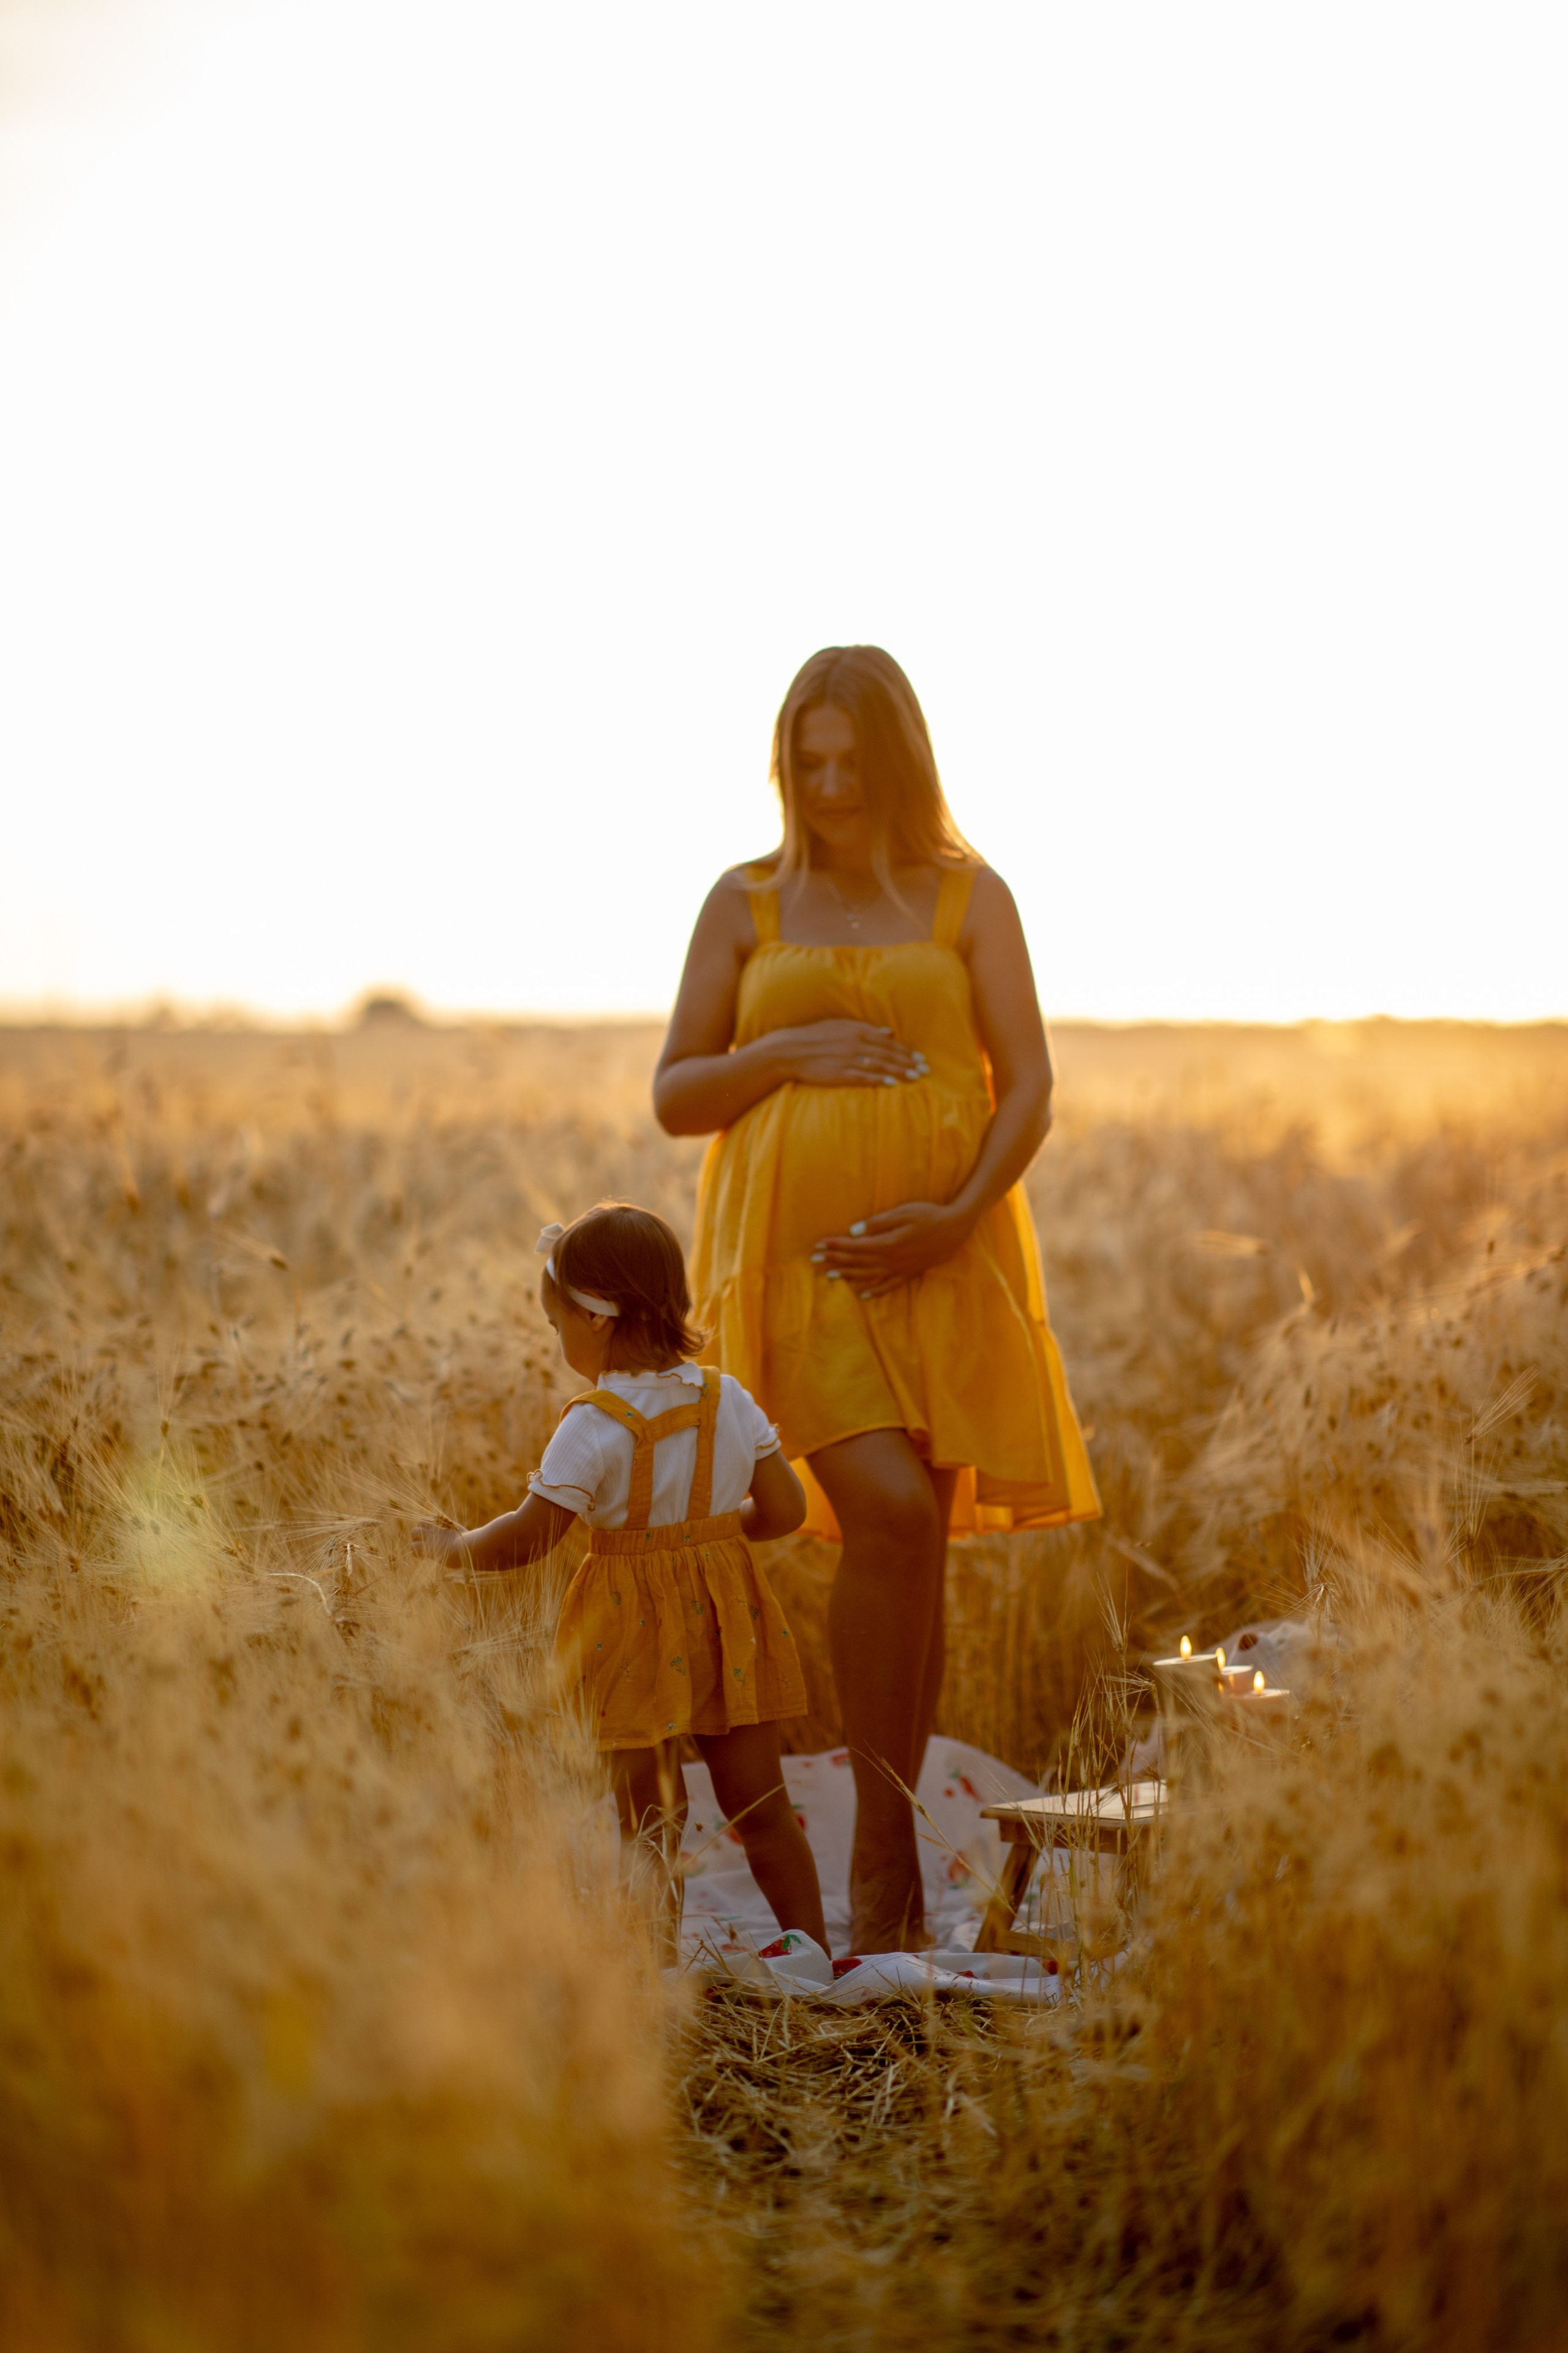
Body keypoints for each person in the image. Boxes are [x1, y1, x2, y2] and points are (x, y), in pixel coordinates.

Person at [654, 645, 1101, 1953]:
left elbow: (1025, 1082)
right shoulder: (744, 900)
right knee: (890, 1509)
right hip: (797, 1268)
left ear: (898, 761)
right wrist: (781, 1049)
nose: (830, 783)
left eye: (854, 760)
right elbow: (678, 1092)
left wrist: (954, 1216)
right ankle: (880, 1850)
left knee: (913, 1554)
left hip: (946, 1255)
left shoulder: (970, 896)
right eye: (809, 760)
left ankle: (890, 1860)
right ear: (784, 764)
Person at [417, 1201, 827, 1957]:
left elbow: (528, 1539)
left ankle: (656, 1977)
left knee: (649, 1825)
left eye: (556, 1325)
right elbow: (785, 1508)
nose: (558, 1341)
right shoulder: (726, 1398)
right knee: (763, 1808)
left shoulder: (593, 1422)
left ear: (596, 1317)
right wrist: (709, 1535)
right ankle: (818, 1958)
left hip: (629, 1635)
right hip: (726, 1619)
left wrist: (448, 1546)